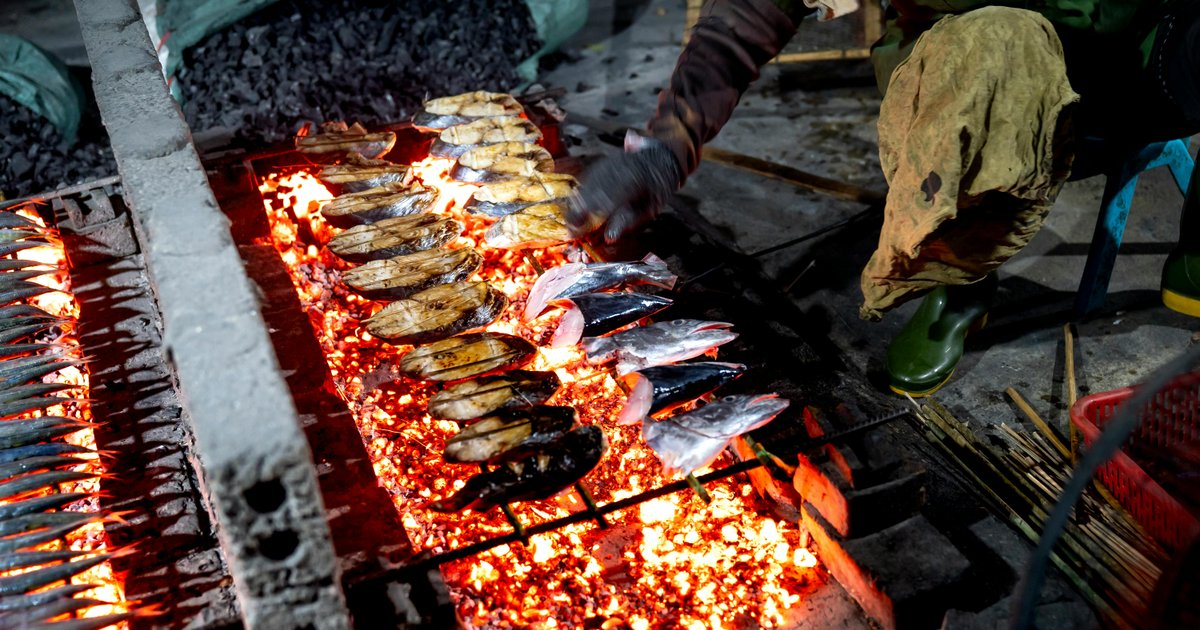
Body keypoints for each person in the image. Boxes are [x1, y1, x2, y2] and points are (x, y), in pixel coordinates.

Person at [566, 0, 1200, 397]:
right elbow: (747, 14)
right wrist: (666, 147)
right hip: (968, 65)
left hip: (1145, 47)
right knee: (986, 58)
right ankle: (958, 278)